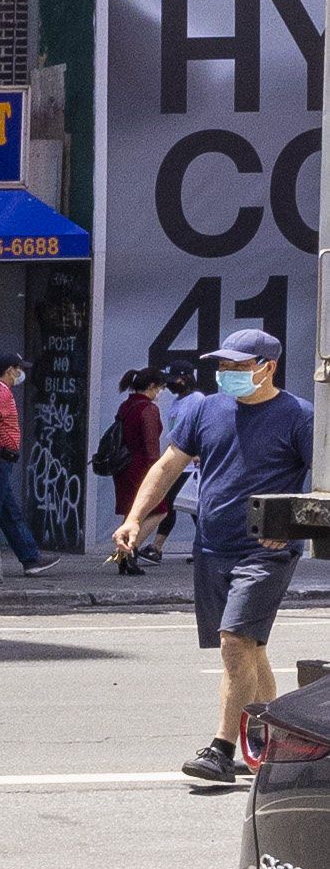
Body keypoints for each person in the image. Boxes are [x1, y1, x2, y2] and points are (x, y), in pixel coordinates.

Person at [115, 321, 317, 784]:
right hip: (211, 547)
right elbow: (167, 466)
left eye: (236, 365)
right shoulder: (204, 410)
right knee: (251, 646)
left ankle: (222, 749)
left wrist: (290, 525)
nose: (225, 372)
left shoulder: (299, 416)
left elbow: (324, 481)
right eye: (222, 365)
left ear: (268, 368)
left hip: (265, 551)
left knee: (235, 641)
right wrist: (133, 519)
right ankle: (277, 735)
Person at [0, 350, 43, 568]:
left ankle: (30, 558)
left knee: (9, 513)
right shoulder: (2, 392)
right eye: (19, 368)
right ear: (10, 371)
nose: (21, 373)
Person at [104, 364, 174, 539]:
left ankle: (122, 555)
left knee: (132, 512)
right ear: (151, 386)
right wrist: (157, 471)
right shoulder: (148, 409)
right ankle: (128, 552)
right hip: (141, 467)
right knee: (160, 509)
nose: (159, 393)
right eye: (159, 388)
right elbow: (151, 444)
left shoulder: (126, 405)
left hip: (124, 466)